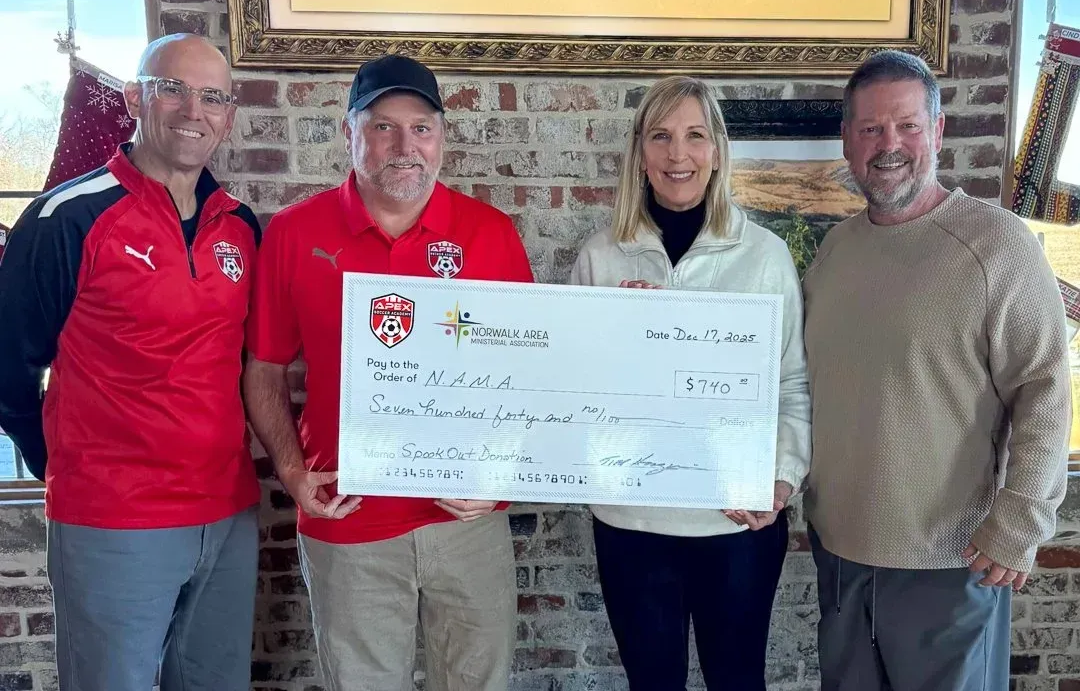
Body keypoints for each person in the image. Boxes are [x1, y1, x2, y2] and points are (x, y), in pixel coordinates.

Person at [243, 54, 533, 691]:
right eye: (383, 127)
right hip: (348, 515)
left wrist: (501, 475)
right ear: (349, 132)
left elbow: (525, 373)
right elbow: (264, 369)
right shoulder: (294, 233)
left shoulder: (491, 234)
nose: (406, 146)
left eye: (421, 128)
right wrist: (290, 470)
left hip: (466, 517)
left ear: (442, 137)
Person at [803, 49, 1072, 691]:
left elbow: (1044, 388)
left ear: (938, 131)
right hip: (839, 555)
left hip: (951, 564)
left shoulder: (996, 245)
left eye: (907, 126)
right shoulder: (834, 251)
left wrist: (1021, 519)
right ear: (847, 139)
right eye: (871, 128)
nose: (888, 145)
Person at [0, 34, 261, 691]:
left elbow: (248, 364)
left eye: (212, 97)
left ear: (229, 116)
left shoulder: (241, 226)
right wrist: (63, 461)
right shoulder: (67, 217)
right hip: (114, 519)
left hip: (227, 514)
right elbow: (6, 365)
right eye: (173, 89)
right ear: (134, 98)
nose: (193, 111)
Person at [570, 75, 811, 691]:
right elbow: (575, 393)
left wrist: (781, 478)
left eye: (695, 136)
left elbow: (792, 383)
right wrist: (620, 338)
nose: (678, 154)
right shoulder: (601, 257)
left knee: (738, 682)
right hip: (632, 523)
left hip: (735, 525)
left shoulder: (765, 256)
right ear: (640, 153)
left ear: (718, 151)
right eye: (661, 136)